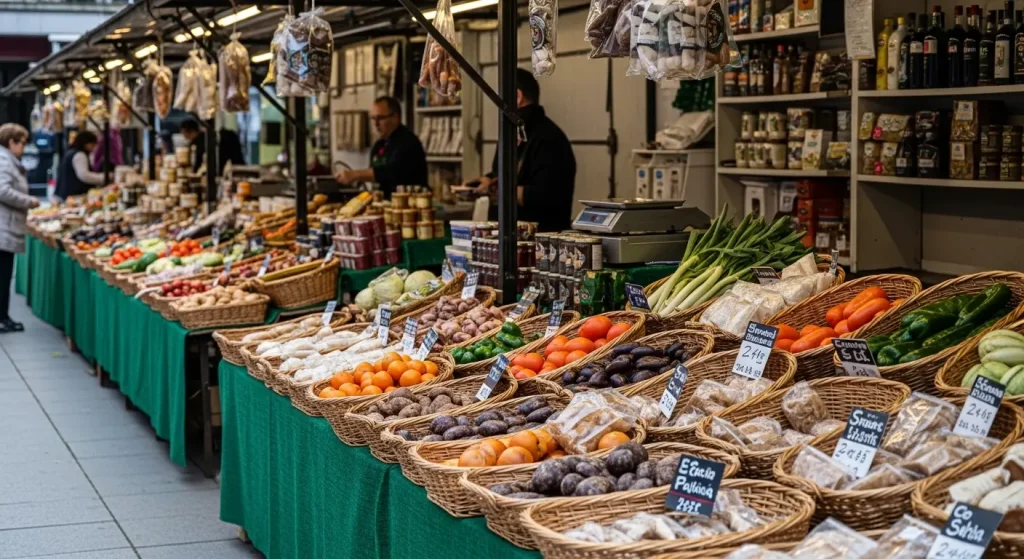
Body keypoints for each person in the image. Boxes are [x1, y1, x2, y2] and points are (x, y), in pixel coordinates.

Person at [467, 69, 577, 232]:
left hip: (537, 242)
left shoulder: (548, 139)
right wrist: (486, 181)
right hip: (506, 236)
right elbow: (503, 172)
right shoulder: (512, 133)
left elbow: (546, 195)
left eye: (500, 100)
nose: (499, 107)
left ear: (517, 97)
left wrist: (495, 190)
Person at [334, 96, 427, 196]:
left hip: (408, 204)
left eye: (380, 118)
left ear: (395, 117)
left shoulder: (407, 142)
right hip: (384, 204)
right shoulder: (379, 144)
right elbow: (374, 175)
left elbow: (391, 172)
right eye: (373, 118)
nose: (375, 124)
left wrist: (356, 174)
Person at [0, 123, 41, 333]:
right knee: (3, 274)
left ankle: (3, 316)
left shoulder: (7, 160)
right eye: (21, 143)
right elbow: (3, 190)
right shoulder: (4, 161)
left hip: (6, 225)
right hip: (3, 227)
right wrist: (28, 201)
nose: (23, 148)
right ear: (11, 142)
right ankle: (2, 318)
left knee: (4, 274)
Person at [179, 119, 246, 175]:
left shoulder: (201, 140)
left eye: (184, 134)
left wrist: (194, 174)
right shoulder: (204, 137)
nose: (184, 137)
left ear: (190, 131)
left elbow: (198, 161)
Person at [55, 130, 106, 200]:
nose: (94, 148)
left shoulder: (70, 152)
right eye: (93, 145)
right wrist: (104, 177)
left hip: (65, 194)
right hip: (74, 195)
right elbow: (84, 175)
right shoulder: (80, 155)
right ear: (86, 144)